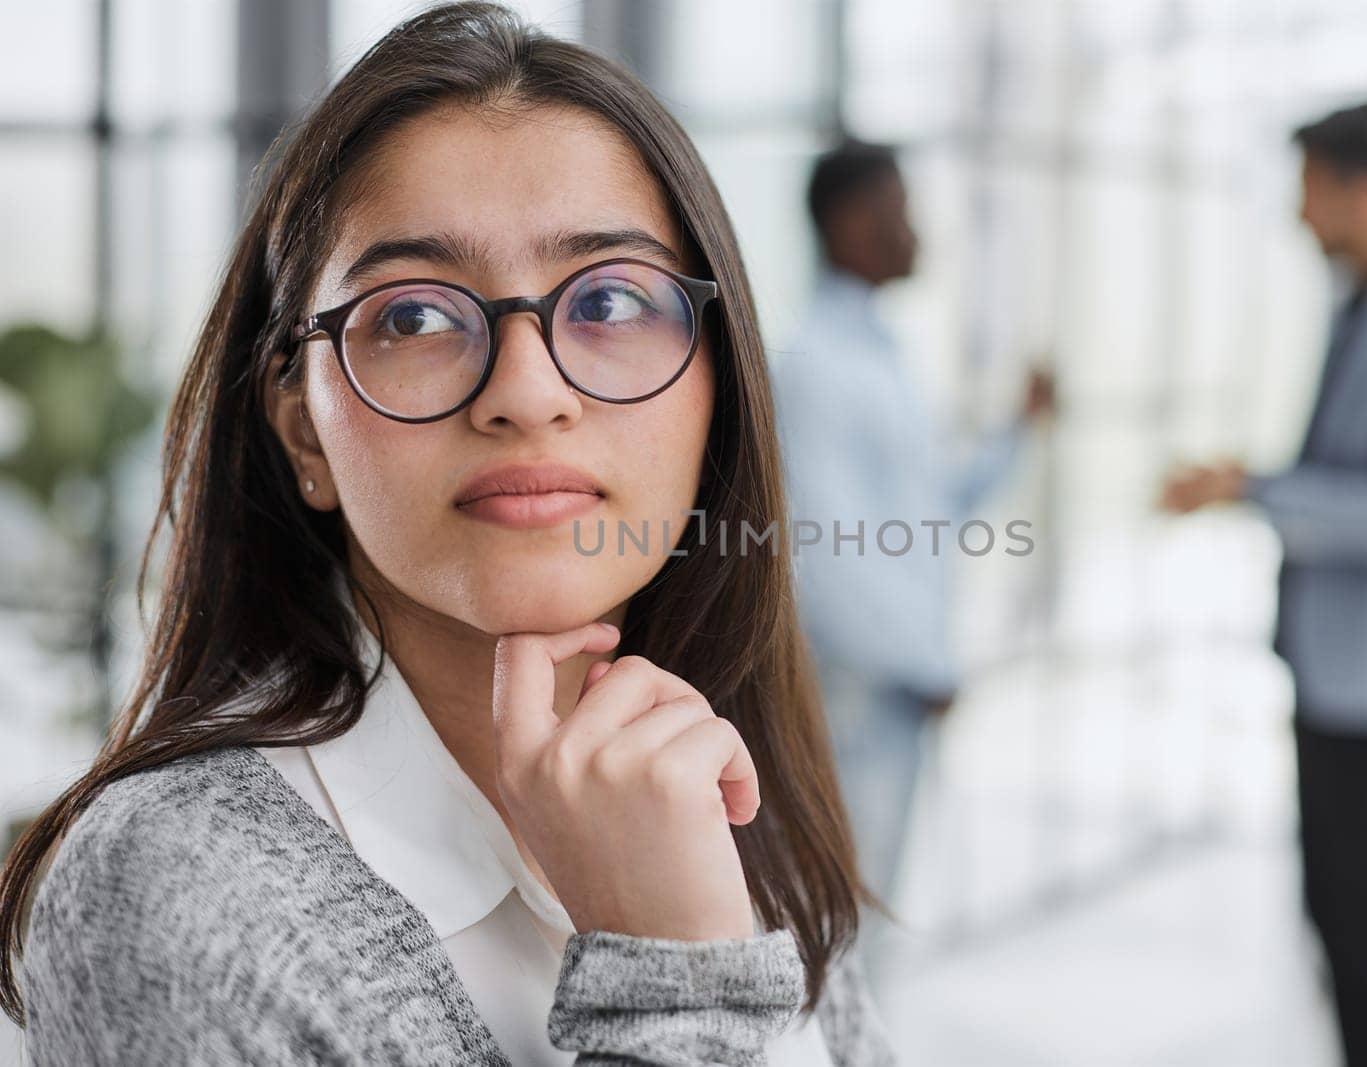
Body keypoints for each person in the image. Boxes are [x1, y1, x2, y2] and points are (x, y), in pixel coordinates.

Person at [0, 5, 895, 1064]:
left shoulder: (722, 778)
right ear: (304, 430)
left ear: (719, 390)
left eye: (609, 298)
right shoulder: (171, 882)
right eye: (414, 317)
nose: (526, 391)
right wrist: (675, 982)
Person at [1160, 102, 1367, 1067]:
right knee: (1336, 906)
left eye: (1311, 192)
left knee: (1361, 918)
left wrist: (1256, 490)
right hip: (1334, 661)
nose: (1301, 217)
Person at [770, 140, 1053, 967]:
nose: (916, 232)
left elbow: (927, 508)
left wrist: (1018, 430)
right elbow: (828, 552)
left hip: (892, 682)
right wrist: (926, 663)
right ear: (849, 224)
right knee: (843, 923)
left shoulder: (880, 353)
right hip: (865, 685)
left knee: (871, 911)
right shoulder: (817, 366)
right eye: (900, 212)